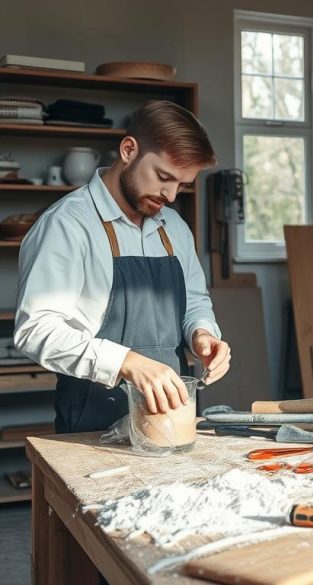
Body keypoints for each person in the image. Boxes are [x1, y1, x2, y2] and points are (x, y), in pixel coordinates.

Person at [15, 100, 232, 433]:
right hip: (92, 423)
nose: (172, 195)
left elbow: (195, 303)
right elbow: (36, 330)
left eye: (183, 185)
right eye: (164, 177)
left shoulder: (173, 227)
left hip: (170, 419)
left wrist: (202, 333)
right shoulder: (68, 224)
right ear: (129, 150)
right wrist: (126, 362)